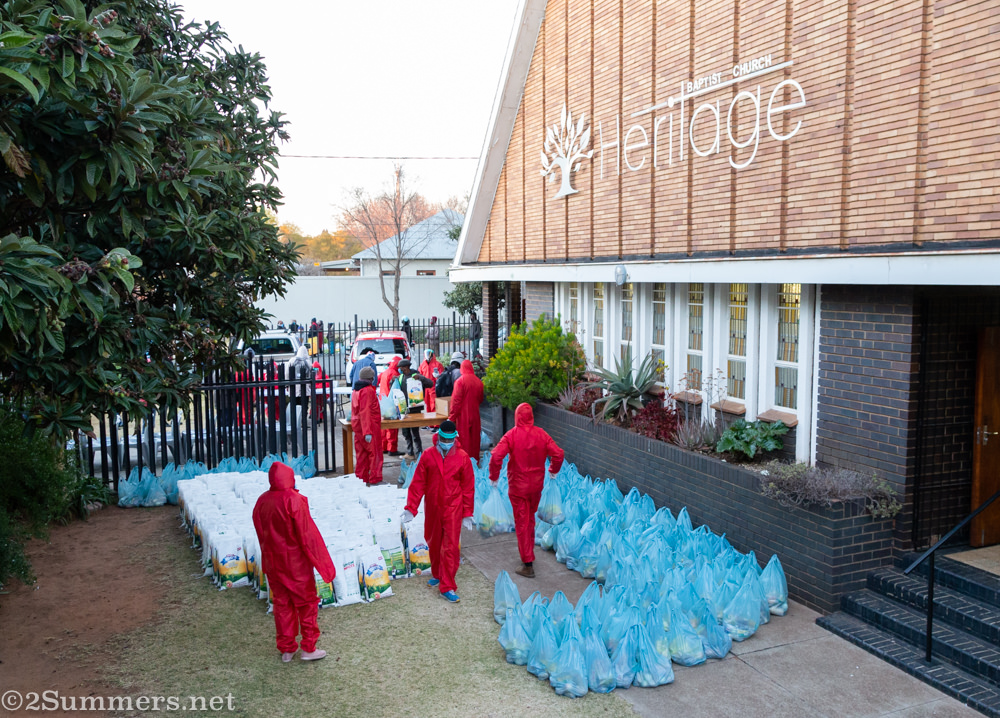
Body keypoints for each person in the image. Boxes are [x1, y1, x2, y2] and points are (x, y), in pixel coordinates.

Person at [252, 461, 336, 662]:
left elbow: (260, 530)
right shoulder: (294, 500)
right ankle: (308, 647)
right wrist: (325, 566)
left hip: (273, 562)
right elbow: (308, 537)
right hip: (295, 564)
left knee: (282, 605)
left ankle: (287, 649)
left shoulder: (262, 501)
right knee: (307, 604)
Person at [400, 421, 475, 603]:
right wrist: (411, 507)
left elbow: (468, 487)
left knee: (450, 547)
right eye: (444, 439)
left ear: (455, 438)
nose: (446, 443)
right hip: (433, 506)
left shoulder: (462, 458)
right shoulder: (428, 455)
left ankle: (447, 586)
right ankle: (438, 573)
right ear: (438, 436)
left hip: (453, 508)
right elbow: (418, 483)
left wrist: (467, 512)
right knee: (433, 542)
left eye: (449, 440)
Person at [489, 403, 565, 578]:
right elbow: (558, 454)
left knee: (522, 523)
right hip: (536, 486)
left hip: (518, 487)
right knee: (529, 519)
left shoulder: (512, 435)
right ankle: (528, 552)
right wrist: (553, 470)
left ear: (517, 416)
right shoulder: (541, 434)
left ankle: (527, 562)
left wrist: (494, 476)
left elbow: (496, 456)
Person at [394, 359, 434, 460]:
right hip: (404, 409)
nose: (400, 369)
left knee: (415, 433)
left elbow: (430, 384)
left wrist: (420, 378)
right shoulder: (401, 377)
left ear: (406, 367)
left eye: (401, 368)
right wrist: (393, 381)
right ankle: (410, 453)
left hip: (415, 409)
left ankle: (419, 453)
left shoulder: (416, 375)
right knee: (406, 433)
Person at [351, 366, 383, 485]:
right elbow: (366, 411)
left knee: (361, 454)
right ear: (370, 378)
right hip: (369, 426)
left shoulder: (356, 390)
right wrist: (368, 431)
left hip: (358, 426)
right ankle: (375, 478)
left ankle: (361, 479)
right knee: (374, 453)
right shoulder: (367, 391)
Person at [450, 359, 484, 462]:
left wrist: (451, 418)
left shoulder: (460, 382)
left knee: (464, 439)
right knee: (475, 439)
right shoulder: (478, 381)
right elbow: (480, 399)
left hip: (463, 415)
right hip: (475, 413)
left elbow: (456, 402)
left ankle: (464, 462)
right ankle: (475, 461)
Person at [378, 355, 402, 456]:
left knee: (384, 427)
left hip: (383, 402)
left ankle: (383, 447)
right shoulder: (395, 374)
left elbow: (377, 380)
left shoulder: (385, 372)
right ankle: (392, 449)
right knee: (392, 428)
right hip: (391, 404)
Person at [419, 349, 445, 413]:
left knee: (434, 404)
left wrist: (437, 376)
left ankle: (435, 419)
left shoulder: (438, 364)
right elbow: (420, 375)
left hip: (434, 388)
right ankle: (429, 419)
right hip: (426, 389)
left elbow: (442, 377)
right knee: (427, 405)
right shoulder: (422, 365)